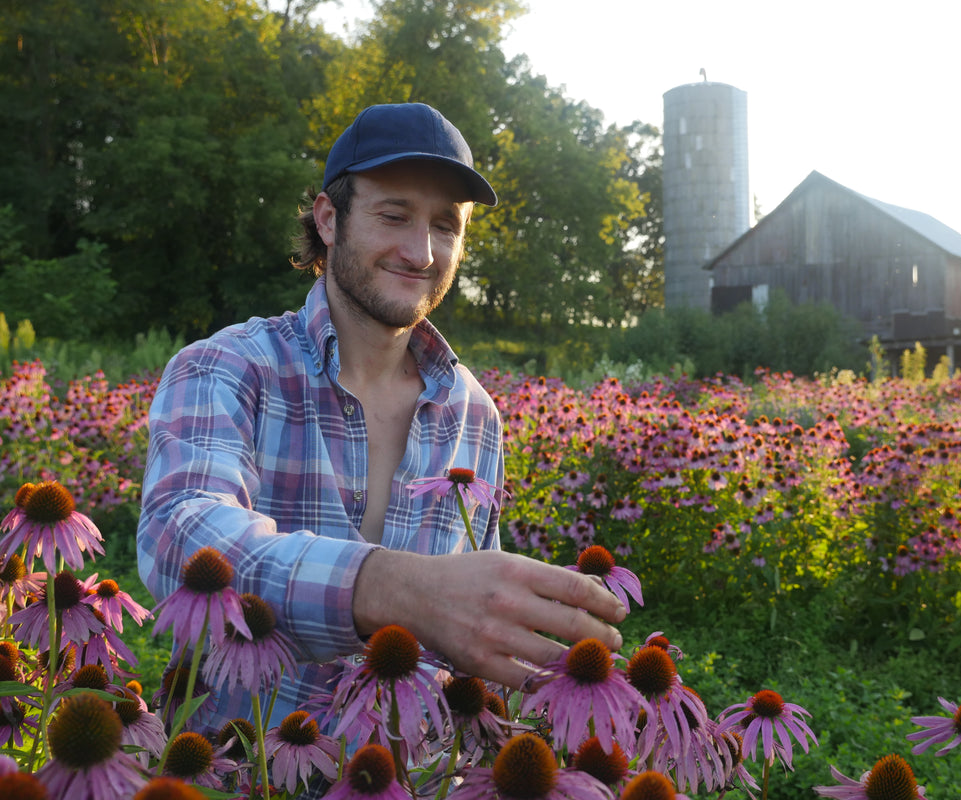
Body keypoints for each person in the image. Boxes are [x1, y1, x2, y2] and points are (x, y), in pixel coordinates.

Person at [136, 102, 627, 738]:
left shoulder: (474, 415)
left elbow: (465, 632)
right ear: (328, 219)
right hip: (235, 769)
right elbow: (181, 536)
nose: (421, 251)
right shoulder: (227, 367)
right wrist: (399, 589)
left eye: (446, 226)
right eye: (394, 215)